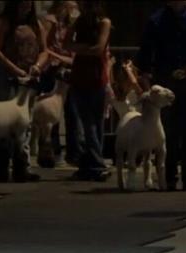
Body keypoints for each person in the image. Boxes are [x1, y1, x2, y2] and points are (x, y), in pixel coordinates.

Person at [136, 1, 186, 191]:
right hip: (165, 77)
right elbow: (145, 51)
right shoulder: (156, 20)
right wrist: (145, 76)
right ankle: (168, 177)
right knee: (168, 129)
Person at [0, 0, 46, 182]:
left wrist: (37, 66)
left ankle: (22, 166)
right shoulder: (3, 23)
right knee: (2, 123)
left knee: (24, 124)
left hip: (28, 78)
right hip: (5, 76)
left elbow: (45, 51)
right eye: (23, 4)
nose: (26, 7)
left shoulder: (36, 25)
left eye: (29, 4)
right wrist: (13, 69)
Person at [66, 0, 112, 182]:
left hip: (95, 74)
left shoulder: (104, 22)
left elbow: (99, 48)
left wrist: (81, 48)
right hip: (80, 74)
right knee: (87, 120)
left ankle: (94, 162)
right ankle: (94, 162)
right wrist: (87, 48)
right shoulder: (78, 22)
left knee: (95, 122)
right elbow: (67, 44)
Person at [38, 0, 83, 167]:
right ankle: (52, 150)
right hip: (53, 67)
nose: (71, 9)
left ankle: (74, 152)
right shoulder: (50, 20)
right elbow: (45, 45)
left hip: (69, 67)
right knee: (52, 111)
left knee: (72, 111)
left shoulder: (71, 23)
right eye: (68, 6)